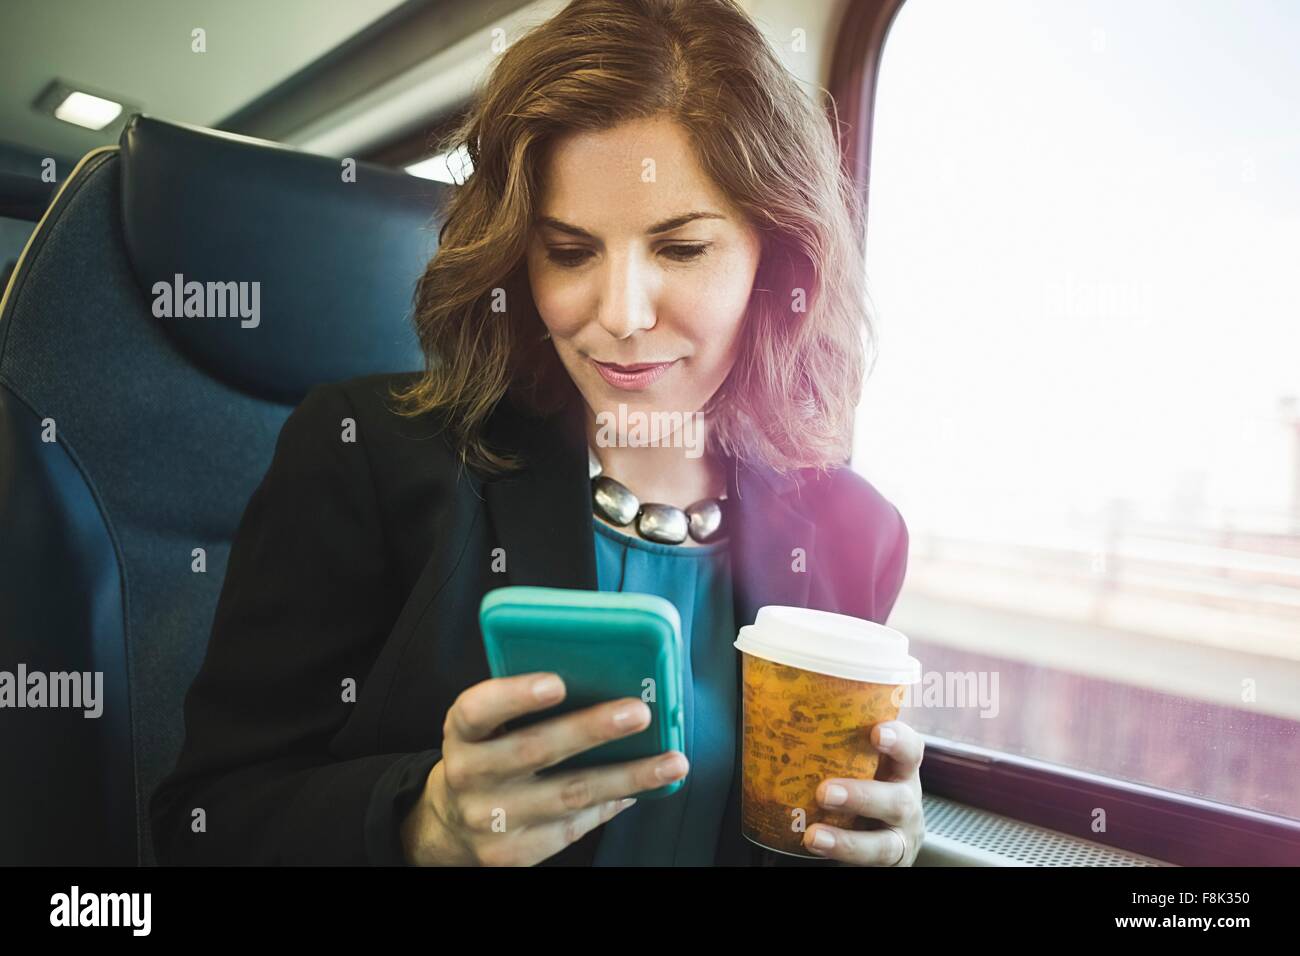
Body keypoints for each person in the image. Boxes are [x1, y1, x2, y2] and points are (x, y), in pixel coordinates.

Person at [150, 0, 924, 867]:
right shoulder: (366, 455)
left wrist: (875, 844)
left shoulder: (858, 535)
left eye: (680, 250)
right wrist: (422, 827)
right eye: (569, 251)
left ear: (774, 258)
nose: (621, 317)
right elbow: (203, 824)